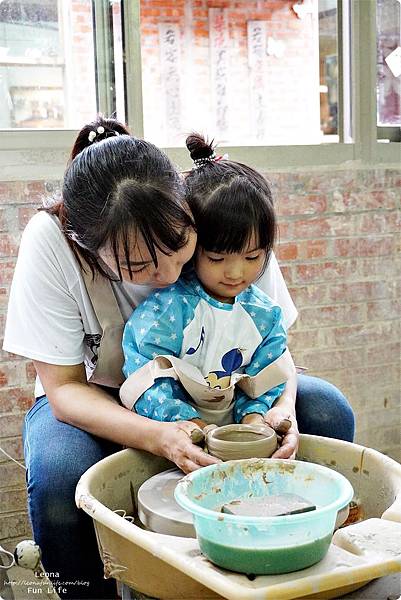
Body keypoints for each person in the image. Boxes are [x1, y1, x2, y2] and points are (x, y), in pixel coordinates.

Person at [2, 117, 355, 600]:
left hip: (218, 382)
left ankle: (298, 576)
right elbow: (63, 389)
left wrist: (283, 409)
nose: (168, 273)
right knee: (61, 476)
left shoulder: (217, 218)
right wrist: (162, 436)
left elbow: (275, 349)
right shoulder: (53, 241)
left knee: (327, 408)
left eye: (178, 247)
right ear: (88, 247)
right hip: (94, 395)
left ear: (184, 207)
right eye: (140, 265)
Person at [120, 133, 296, 430]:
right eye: (217, 259)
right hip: (174, 426)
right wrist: (190, 423)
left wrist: (256, 418)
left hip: (235, 420)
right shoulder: (168, 312)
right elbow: (145, 378)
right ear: (191, 246)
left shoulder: (265, 315)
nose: (235, 273)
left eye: (252, 257)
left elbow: (267, 374)